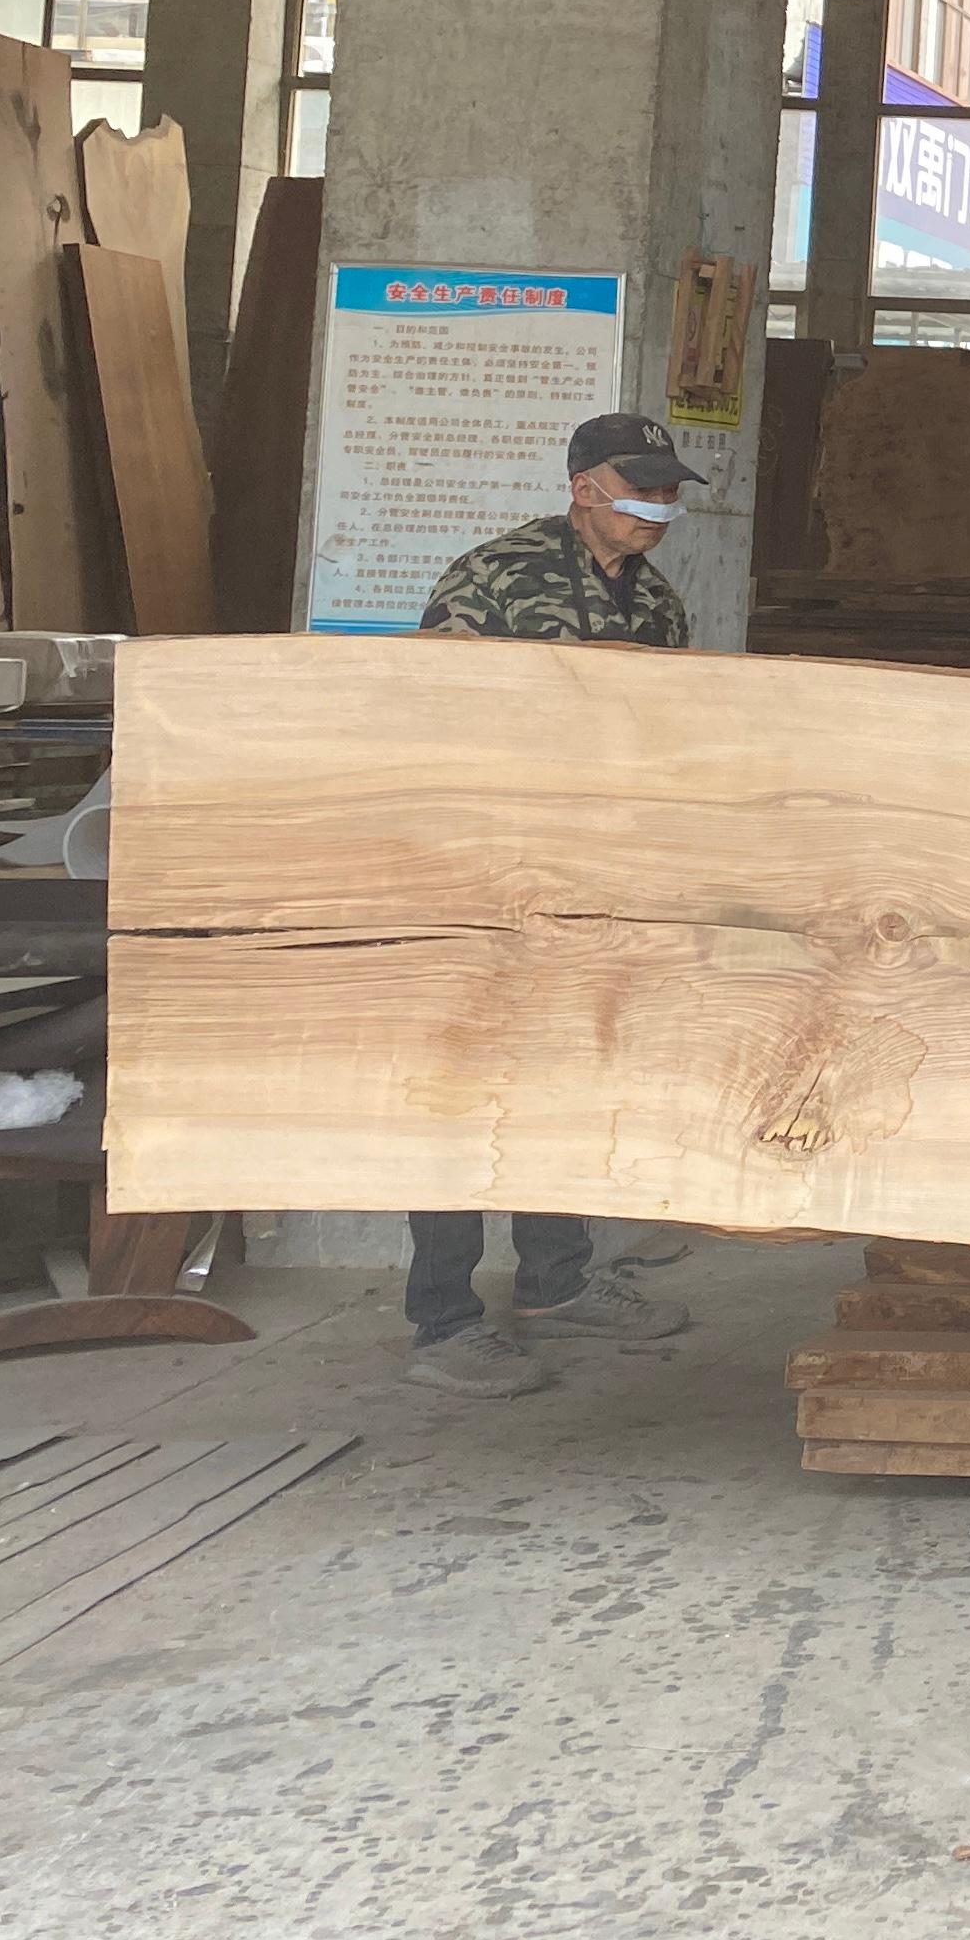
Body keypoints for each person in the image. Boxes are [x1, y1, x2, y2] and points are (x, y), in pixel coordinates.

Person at [394, 412, 708, 1398]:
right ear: (585, 488)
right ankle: (444, 1322)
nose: (658, 506)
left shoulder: (656, 603)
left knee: (565, 1081)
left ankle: (556, 1285)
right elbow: (430, 713)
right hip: (483, 875)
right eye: (640, 487)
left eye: (669, 491)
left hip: (594, 882)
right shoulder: (494, 577)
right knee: (460, 1089)